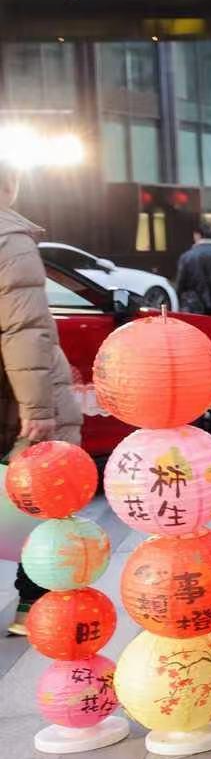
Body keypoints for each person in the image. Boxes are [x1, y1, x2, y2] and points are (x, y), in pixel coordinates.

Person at [0, 167, 84, 635]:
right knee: (41, 494)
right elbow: (24, 329)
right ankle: (33, 607)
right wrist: (38, 410)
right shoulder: (9, 239)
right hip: (16, 396)